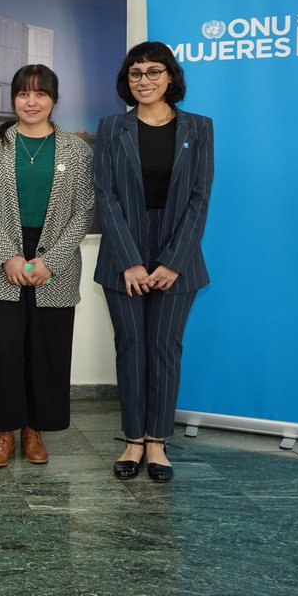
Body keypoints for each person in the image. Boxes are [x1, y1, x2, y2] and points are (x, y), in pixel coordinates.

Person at [94, 42, 214, 483]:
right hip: (123, 256)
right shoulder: (111, 128)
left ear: (170, 77)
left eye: (153, 71)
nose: (144, 80)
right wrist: (129, 261)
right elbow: (104, 195)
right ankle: (132, 440)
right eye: (135, 73)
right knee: (131, 347)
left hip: (176, 256)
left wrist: (174, 262)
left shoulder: (199, 127)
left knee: (164, 349)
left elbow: (200, 198)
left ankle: (158, 443)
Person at [0, 65, 94, 468]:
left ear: (54, 100)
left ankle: (34, 430)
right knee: (4, 350)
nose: (31, 101)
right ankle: (4, 431)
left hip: (53, 261)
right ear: (14, 99)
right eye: (23, 93)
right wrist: (8, 255)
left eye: (40, 94)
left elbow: (83, 211)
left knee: (46, 350)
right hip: (3, 258)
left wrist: (52, 261)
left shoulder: (76, 151)